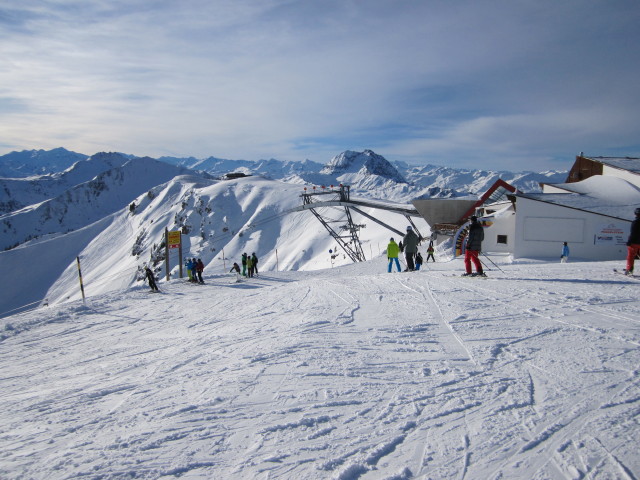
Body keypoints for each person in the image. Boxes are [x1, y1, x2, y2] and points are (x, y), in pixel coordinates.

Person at [624, 207, 640, 275]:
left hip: (635, 243)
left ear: (636, 214)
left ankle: (629, 270)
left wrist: (629, 242)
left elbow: (633, 233)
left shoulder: (635, 222)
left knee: (631, 256)